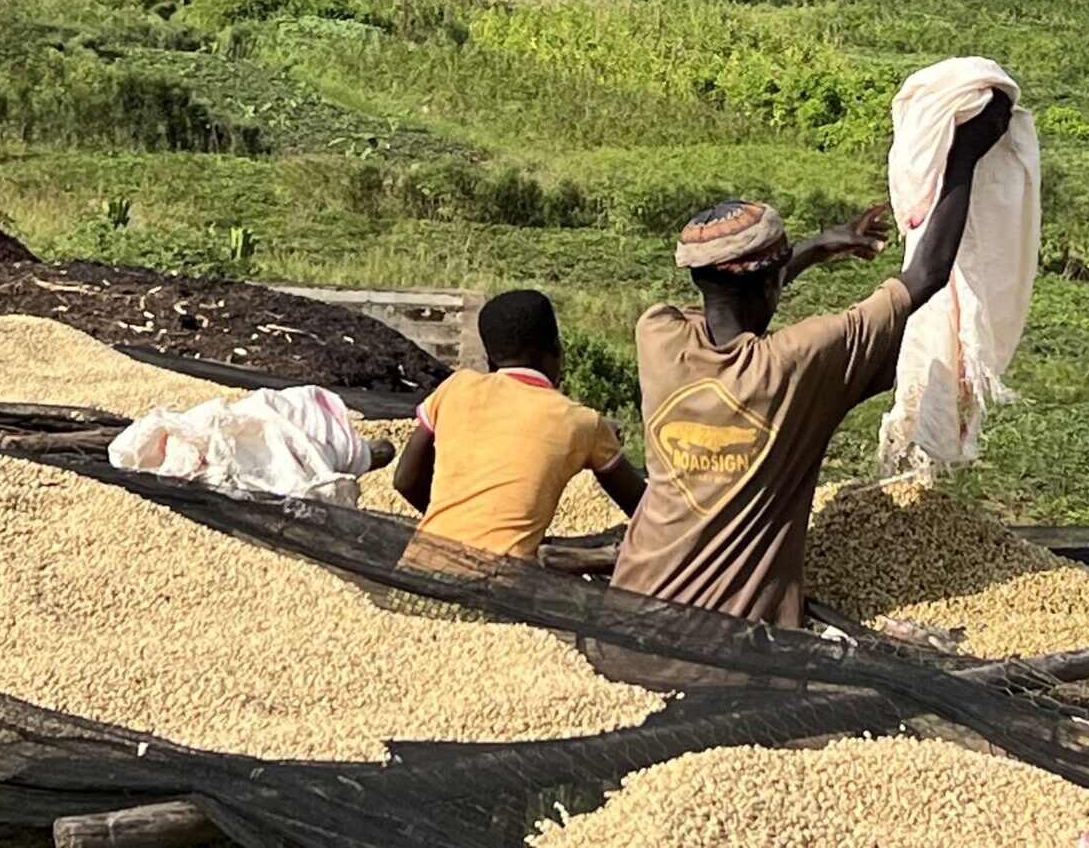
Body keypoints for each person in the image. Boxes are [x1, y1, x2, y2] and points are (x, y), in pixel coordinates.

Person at [610, 88, 1015, 630]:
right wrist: (963, 155)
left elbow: (741, 297)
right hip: (723, 650)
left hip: (624, 618)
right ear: (772, 285)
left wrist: (813, 250)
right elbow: (928, 274)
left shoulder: (657, 335)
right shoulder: (798, 363)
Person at [391, 290, 644, 564]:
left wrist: (459, 529)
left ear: (489, 360)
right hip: (503, 581)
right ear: (556, 348)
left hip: (418, 566)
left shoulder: (456, 387)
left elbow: (405, 481)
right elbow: (647, 511)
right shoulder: (582, 421)